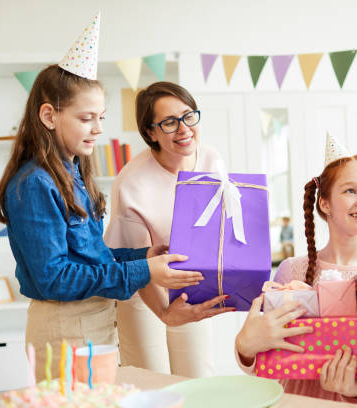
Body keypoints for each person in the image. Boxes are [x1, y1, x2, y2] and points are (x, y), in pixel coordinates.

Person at [0, 63, 202, 382]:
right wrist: (145, 271)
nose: (98, 128)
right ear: (49, 116)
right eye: (86, 118)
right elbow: (54, 277)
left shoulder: (73, 175)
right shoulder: (35, 183)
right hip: (64, 328)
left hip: (94, 323)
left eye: (100, 118)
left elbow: (90, 258)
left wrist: (144, 256)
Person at [235, 135, 357, 407]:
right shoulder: (292, 271)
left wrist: (353, 392)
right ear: (325, 204)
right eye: (351, 190)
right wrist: (245, 349)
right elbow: (267, 364)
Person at [104, 81, 233, 377]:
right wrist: (163, 313)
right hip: (141, 285)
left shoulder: (211, 159)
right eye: (170, 122)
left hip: (188, 280)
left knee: (197, 372)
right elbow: (138, 262)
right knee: (150, 374)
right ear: (150, 132)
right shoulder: (132, 182)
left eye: (188, 116)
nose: (184, 129)